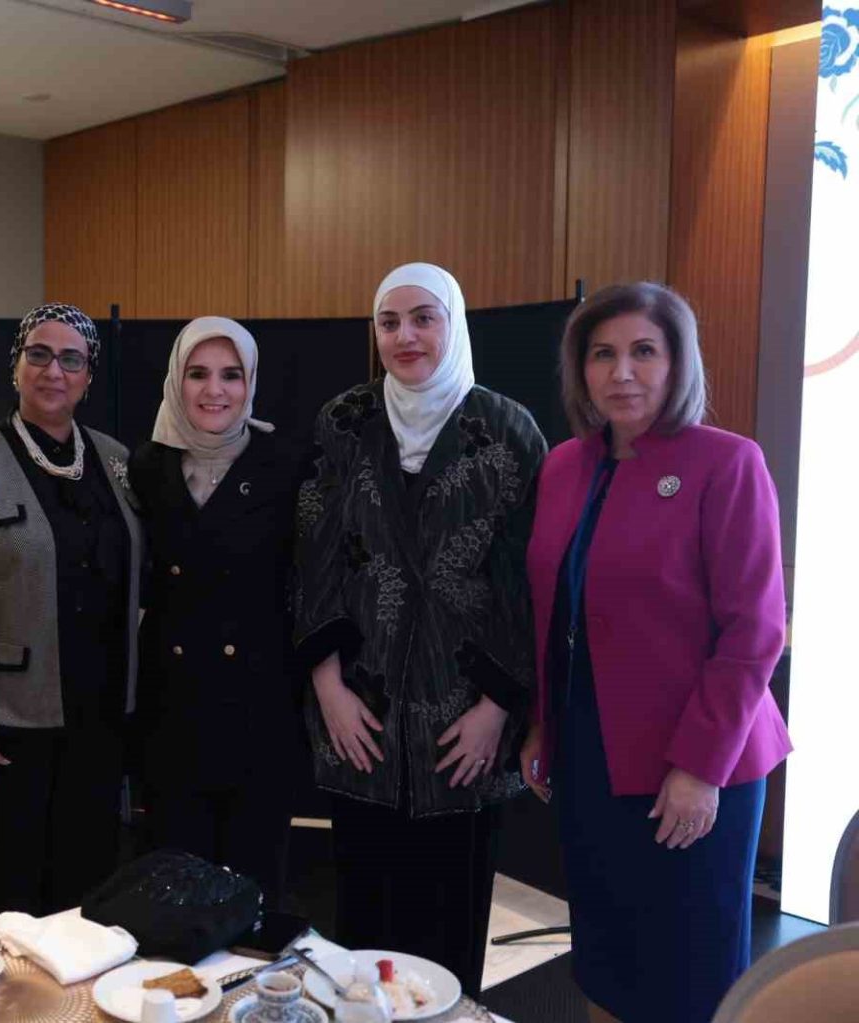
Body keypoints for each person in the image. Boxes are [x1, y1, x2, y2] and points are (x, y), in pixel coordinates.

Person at [521, 283, 790, 1023]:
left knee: (688, 969)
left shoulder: (727, 462)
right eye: (601, 354)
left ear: (678, 363)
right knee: (605, 952)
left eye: (644, 351)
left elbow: (754, 630)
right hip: (589, 751)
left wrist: (700, 767)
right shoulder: (564, 466)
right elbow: (555, 608)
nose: (621, 372)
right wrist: (543, 724)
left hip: (696, 761)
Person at [294, 262, 547, 993]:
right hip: (360, 717)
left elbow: (526, 577)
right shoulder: (344, 421)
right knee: (365, 928)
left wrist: (497, 707)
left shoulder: (506, 429)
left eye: (423, 318)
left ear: (453, 324)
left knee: (448, 931)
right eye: (389, 322)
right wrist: (329, 689)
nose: (405, 336)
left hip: (463, 726)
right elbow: (312, 556)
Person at [0, 303, 142, 917]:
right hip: (6, 727)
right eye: (38, 354)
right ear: (15, 365)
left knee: (89, 900)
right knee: (12, 904)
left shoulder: (118, 462)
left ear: (88, 376)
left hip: (100, 723)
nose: (53, 371)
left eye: (71, 359)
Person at [127, 316, 311, 906]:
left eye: (231, 375)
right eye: (198, 374)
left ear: (250, 382)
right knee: (176, 901)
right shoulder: (146, 466)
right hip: (172, 715)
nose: (215, 390)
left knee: (252, 898)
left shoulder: (287, 465)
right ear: (174, 381)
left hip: (259, 714)